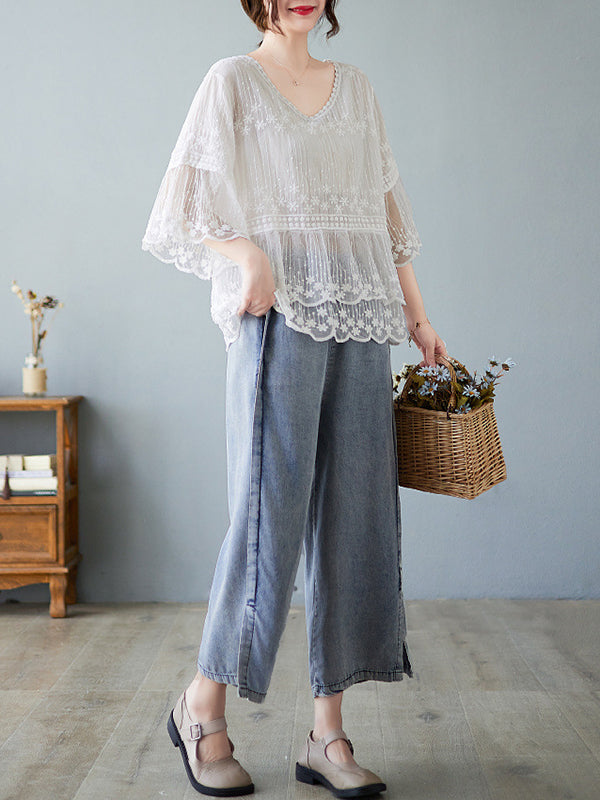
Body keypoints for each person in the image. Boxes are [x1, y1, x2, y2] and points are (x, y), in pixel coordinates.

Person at [142, 1, 447, 796]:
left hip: (363, 317)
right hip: (278, 318)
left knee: (354, 516)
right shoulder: (232, 82)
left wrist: (418, 317)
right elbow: (182, 209)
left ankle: (327, 736)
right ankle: (202, 707)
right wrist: (248, 255)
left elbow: (386, 218)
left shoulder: (358, 88)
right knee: (266, 515)